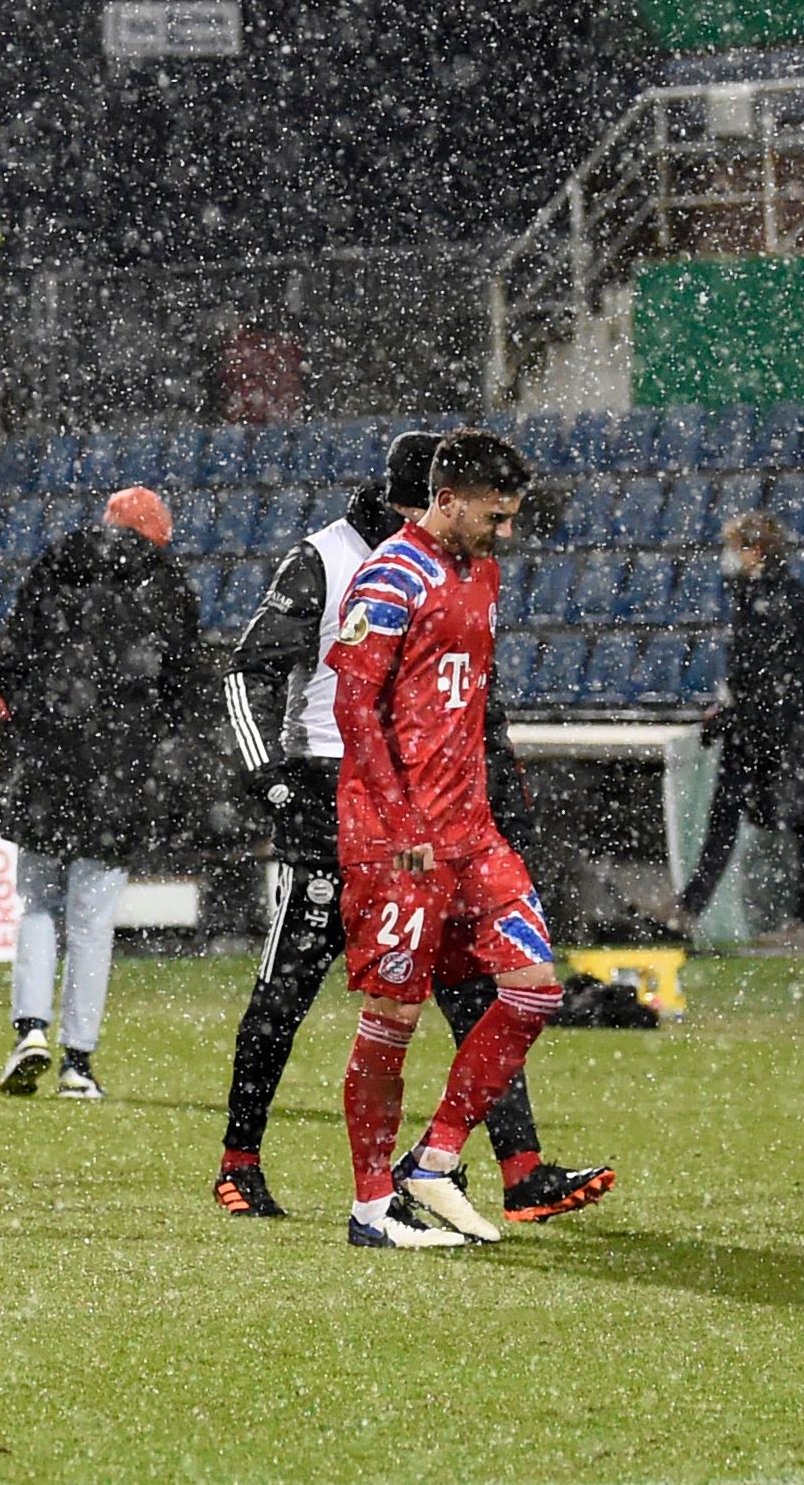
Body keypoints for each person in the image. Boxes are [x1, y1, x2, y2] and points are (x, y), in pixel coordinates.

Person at [213, 432, 611, 1224]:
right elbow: (252, 667)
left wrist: (500, 798)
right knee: (289, 991)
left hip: (443, 812)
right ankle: (242, 1161)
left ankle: (508, 1166)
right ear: (425, 496)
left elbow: (471, 699)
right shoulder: (331, 560)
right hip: (341, 794)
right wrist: (271, 782)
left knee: (479, 992)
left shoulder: (465, 570)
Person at [329, 428, 573, 1249]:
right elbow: (352, 710)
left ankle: (431, 1161)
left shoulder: (485, 575)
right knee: (391, 1018)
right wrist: (398, 826)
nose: (503, 532)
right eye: (493, 516)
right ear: (449, 498)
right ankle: (370, 1210)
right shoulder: (389, 574)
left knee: (534, 985)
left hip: (468, 833)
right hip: (396, 842)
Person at [0, 487, 201, 1098]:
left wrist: (39, 718)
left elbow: (11, 657)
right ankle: (77, 1061)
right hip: (122, 769)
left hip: (50, 759)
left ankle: (29, 1027)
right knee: (92, 920)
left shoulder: (54, 566)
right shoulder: (167, 586)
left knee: (35, 901)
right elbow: (183, 685)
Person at [676, 512, 804, 938]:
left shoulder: (773, 602)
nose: (729, 559)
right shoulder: (766, 598)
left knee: (792, 822)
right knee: (791, 822)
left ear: (755, 551)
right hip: (767, 727)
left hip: (774, 730)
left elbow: (773, 672)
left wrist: (739, 715)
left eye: (736, 548)